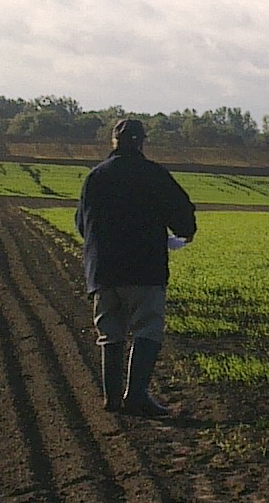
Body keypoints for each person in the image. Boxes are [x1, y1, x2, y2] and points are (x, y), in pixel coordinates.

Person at [74, 118, 198, 418]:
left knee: (110, 333)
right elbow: (182, 215)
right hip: (145, 269)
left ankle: (112, 397)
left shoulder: (95, 177)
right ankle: (137, 396)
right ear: (141, 142)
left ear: (114, 142)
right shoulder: (153, 174)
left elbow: (82, 223)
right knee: (147, 328)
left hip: (103, 272)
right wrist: (185, 233)